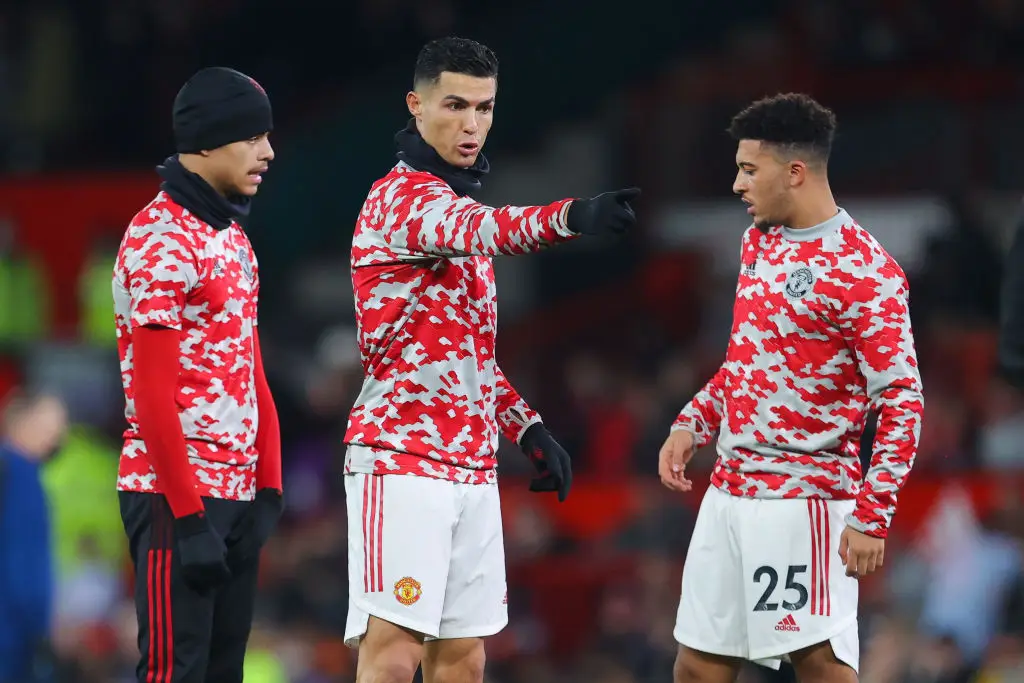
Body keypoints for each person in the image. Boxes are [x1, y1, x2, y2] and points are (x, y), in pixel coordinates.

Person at [344, 36, 640, 683]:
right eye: (455, 105)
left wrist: (526, 426)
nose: (472, 124)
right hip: (403, 456)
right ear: (415, 106)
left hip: (470, 466)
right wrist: (574, 215)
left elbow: (465, 357)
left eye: (484, 107)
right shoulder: (402, 200)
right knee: (395, 651)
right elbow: (489, 229)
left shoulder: (451, 203)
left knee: (464, 660)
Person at [659, 93, 924, 683]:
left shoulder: (866, 272)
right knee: (697, 666)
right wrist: (694, 420)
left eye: (749, 170)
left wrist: (873, 513)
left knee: (819, 666)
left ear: (795, 172)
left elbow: (902, 398)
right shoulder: (761, 241)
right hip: (728, 493)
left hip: (803, 500)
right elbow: (748, 361)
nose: (736, 185)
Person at [112, 67, 283, 683]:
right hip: (172, 495)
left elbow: (252, 372)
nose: (268, 152)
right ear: (207, 143)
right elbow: (152, 395)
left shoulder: (233, 239)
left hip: (235, 494)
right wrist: (187, 517)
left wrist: (269, 487)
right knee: (171, 673)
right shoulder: (158, 237)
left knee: (222, 673)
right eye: (253, 137)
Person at [0, 391, 67, 683]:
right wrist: (40, 624)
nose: (59, 433)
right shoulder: (18, 473)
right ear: (26, 422)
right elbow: (24, 556)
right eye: (54, 423)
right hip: (14, 629)